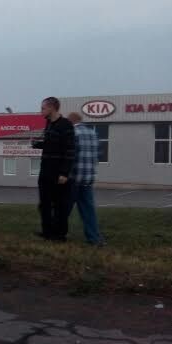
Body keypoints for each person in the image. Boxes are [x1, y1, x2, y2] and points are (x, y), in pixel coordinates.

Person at [31, 97, 75, 241]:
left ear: (51, 108)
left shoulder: (66, 125)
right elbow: (50, 144)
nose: (41, 111)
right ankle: (47, 232)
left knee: (59, 205)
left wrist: (64, 173)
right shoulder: (48, 124)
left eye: (43, 108)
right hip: (45, 170)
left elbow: (70, 150)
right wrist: (37, 144)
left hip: (58, 173)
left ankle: (60, 235)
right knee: (44, 204)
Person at [67, 112, 104, 246]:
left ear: (70, 121)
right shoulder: (93, 134)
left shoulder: (73, 133)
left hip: (73, 179)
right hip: (88, 178)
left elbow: (70, 156)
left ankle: (58, 234)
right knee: (89, 211)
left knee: (64, 209)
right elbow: (98, 155)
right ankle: (94, 238)